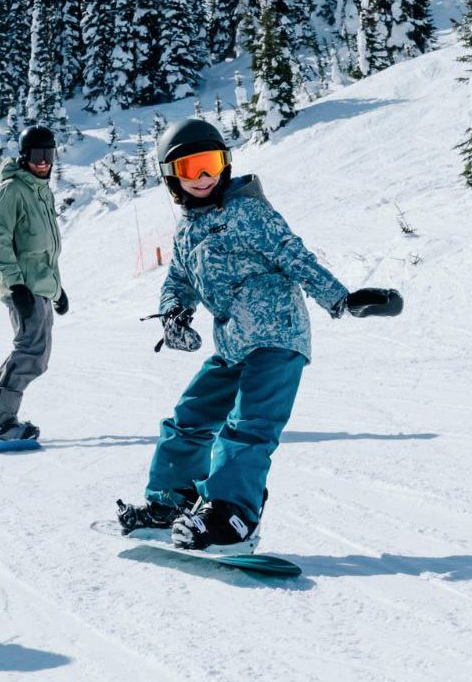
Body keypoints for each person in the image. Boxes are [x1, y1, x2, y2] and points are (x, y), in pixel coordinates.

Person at [115, 118, 401, 551]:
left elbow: (294, 255)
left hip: (278, 337)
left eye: (211, 164)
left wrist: (340, 299)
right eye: (192, 168)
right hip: (232, 346)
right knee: (189, 417)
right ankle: (171, 504)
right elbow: (178, 279)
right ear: (172, 177)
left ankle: (232, 516)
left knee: (248, 427)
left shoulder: (248, 211)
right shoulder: (186, 230)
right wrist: (174, 312)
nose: (205, 177)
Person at [0, 125, 69, 444]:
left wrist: (57, 292)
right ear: (24, 156)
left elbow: (44, 251)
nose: (43, 162)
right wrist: (16, 286)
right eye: (36, 155)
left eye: (48, 155)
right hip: (25, 290)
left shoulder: (42, 192)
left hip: (41, 288)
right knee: (30, 353)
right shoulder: (12, 191)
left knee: (37, 357)